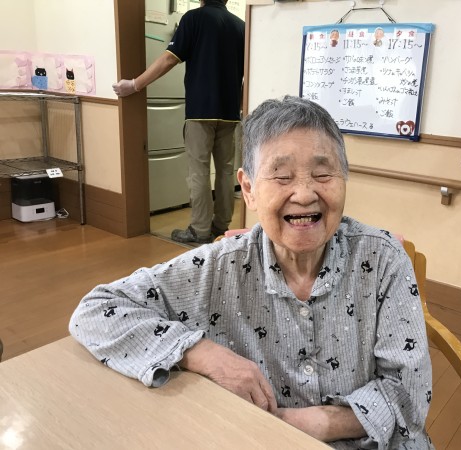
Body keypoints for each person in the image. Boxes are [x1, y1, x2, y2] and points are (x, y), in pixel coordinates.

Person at [69, 96, 434, 449]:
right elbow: (97, 309)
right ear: (248, 189)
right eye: (282, 176)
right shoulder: (217, 267)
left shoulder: (383, 259)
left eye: (323, 174)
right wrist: (199, 352)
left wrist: (306, 423)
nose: (304, 194)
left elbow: (410, 392)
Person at [112, 0, 244, 245]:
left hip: (200, 111)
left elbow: (169, 59)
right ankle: (220, 226)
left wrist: (135, 84)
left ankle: (200, 230)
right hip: (230, 112)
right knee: (226, 171)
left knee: (198, 171)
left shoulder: (193, 18)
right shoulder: (240, 25)